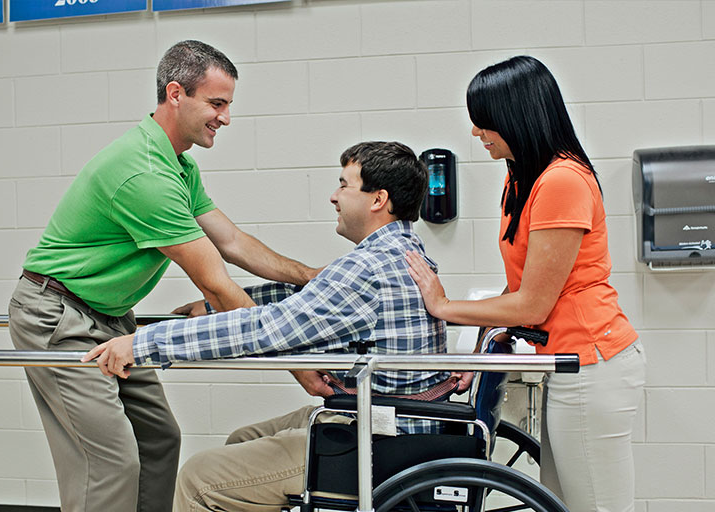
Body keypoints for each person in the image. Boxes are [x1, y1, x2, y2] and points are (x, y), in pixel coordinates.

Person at [8, 40, 319, 512]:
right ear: (176, 93)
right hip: (58, 317)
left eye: (229, 104)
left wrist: (311, 276)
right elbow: (216, 283)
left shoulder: (179, 165)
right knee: (110, 463)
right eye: (217, 103)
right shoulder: (145, 175)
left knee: (159, 441)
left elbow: (232, 243)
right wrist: (296, 363)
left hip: (110, 318)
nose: (226, 117)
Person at [84, 141, 472, 512]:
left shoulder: (367, 268)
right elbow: (306, 298)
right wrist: (211, 305)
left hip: (378, 438)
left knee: (198, 480)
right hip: (393, 423)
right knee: (241, 441)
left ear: (377, 199)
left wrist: (143, 344)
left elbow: (263, 329)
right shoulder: (402, 251)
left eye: (343, 184)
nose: (333, 196)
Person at [406, 55, 646, 512]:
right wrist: (476, 353)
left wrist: (443, 305)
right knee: (561, 501)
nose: (476, 133)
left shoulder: (562, 180)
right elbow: (517, 289)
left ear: (515, 117)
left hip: (594, 364)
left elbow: (532, 305)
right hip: (567, 364)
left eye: (483, 122)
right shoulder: (522, 178)